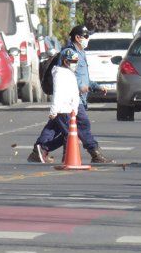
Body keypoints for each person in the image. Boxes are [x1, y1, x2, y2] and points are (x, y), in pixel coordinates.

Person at [28, 25, 113, 164]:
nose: (88, 39)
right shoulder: (68, 53)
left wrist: (95, 87)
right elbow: (64, 77)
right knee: (81, 125)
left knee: (56, 126)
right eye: (86, 36)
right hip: (71, 98)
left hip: (75, 98)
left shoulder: (81, 53)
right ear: (78, 38)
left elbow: (84, 78)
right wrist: (81, 88)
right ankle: (94, 152)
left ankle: (40, 150)